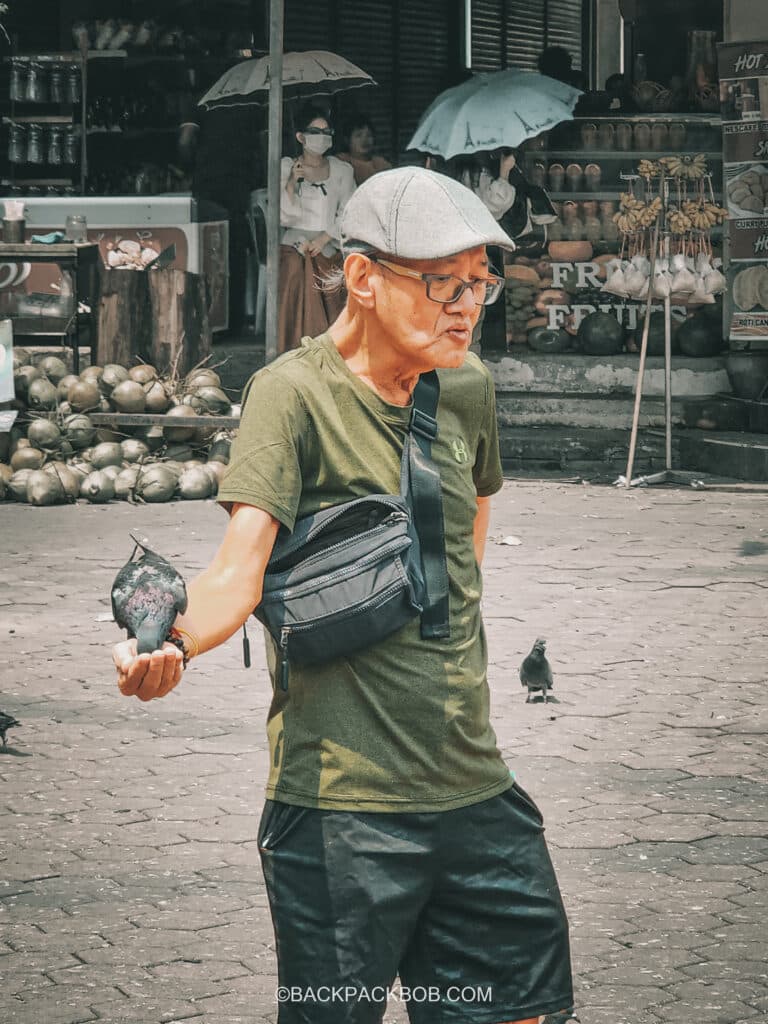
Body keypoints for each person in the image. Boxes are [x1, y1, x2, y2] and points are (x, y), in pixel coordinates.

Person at [112, 166, 577, 1024]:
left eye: (481, 283)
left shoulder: (468, 388)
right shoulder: (289, 394)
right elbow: (235, 572)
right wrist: (173, 643)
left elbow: (462, 573)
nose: (468, 305)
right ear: (364, 279)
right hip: (341, 818)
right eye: (444, 282)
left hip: (474, 796)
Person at [178, 101, 263, 335]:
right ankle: (233, 321)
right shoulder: (250, 104)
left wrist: (189, 169)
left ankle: (208, 321)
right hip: (238, 187)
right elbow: (263, 144)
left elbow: (185, 141)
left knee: (207, 254)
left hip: (207, 187)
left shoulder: (201, 102)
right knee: (234, 254)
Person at [278, 103, 356, 353]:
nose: (322, 137)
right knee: (294, 267)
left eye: (326, 132)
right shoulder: (286, 166)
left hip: (329, 240)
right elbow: (283, 217)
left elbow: (349, 210)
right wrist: (292, 182)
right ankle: (294, 348)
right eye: (315, 131)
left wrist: (323, 239)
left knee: (329, 268)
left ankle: (330, 349)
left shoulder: (342, 170)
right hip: (294, 239)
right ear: (301, 137)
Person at [337, 114, 392, 185]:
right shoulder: (340, 162)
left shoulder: (381, 164)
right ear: (347, 140)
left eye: (369, 135)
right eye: (358, 135)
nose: (364, 140)